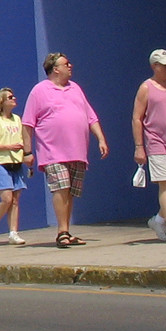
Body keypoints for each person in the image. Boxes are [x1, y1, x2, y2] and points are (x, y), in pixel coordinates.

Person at [22, 52, 108, 248]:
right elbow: (27, 123)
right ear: (55, 69)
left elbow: (90, 116)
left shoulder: (75, 88)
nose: (70, 66)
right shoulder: (39, 91)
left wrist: (101, 138)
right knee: (61, 188)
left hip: (77, 151)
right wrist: (27, 152)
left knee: (70, 192)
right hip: (52, 152)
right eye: (66, 63)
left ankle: (66, 230)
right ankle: (62, 231)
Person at [132, 49, 166, 244]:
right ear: (155, 66)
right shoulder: (146, 88)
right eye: (165, 65)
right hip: (156, 142)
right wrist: (139, 146)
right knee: (165, 182)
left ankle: (159, 219)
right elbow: (137, 118)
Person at [0, 87, 32, 245]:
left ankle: (13, 232)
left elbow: (22, 140)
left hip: (15, 163)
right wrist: (9, 147)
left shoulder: (17, 119)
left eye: (14, 96)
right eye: (10, 97)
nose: (14, 99)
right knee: (6, 199)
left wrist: (25, 156)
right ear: (2, 102)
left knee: (16, 200)